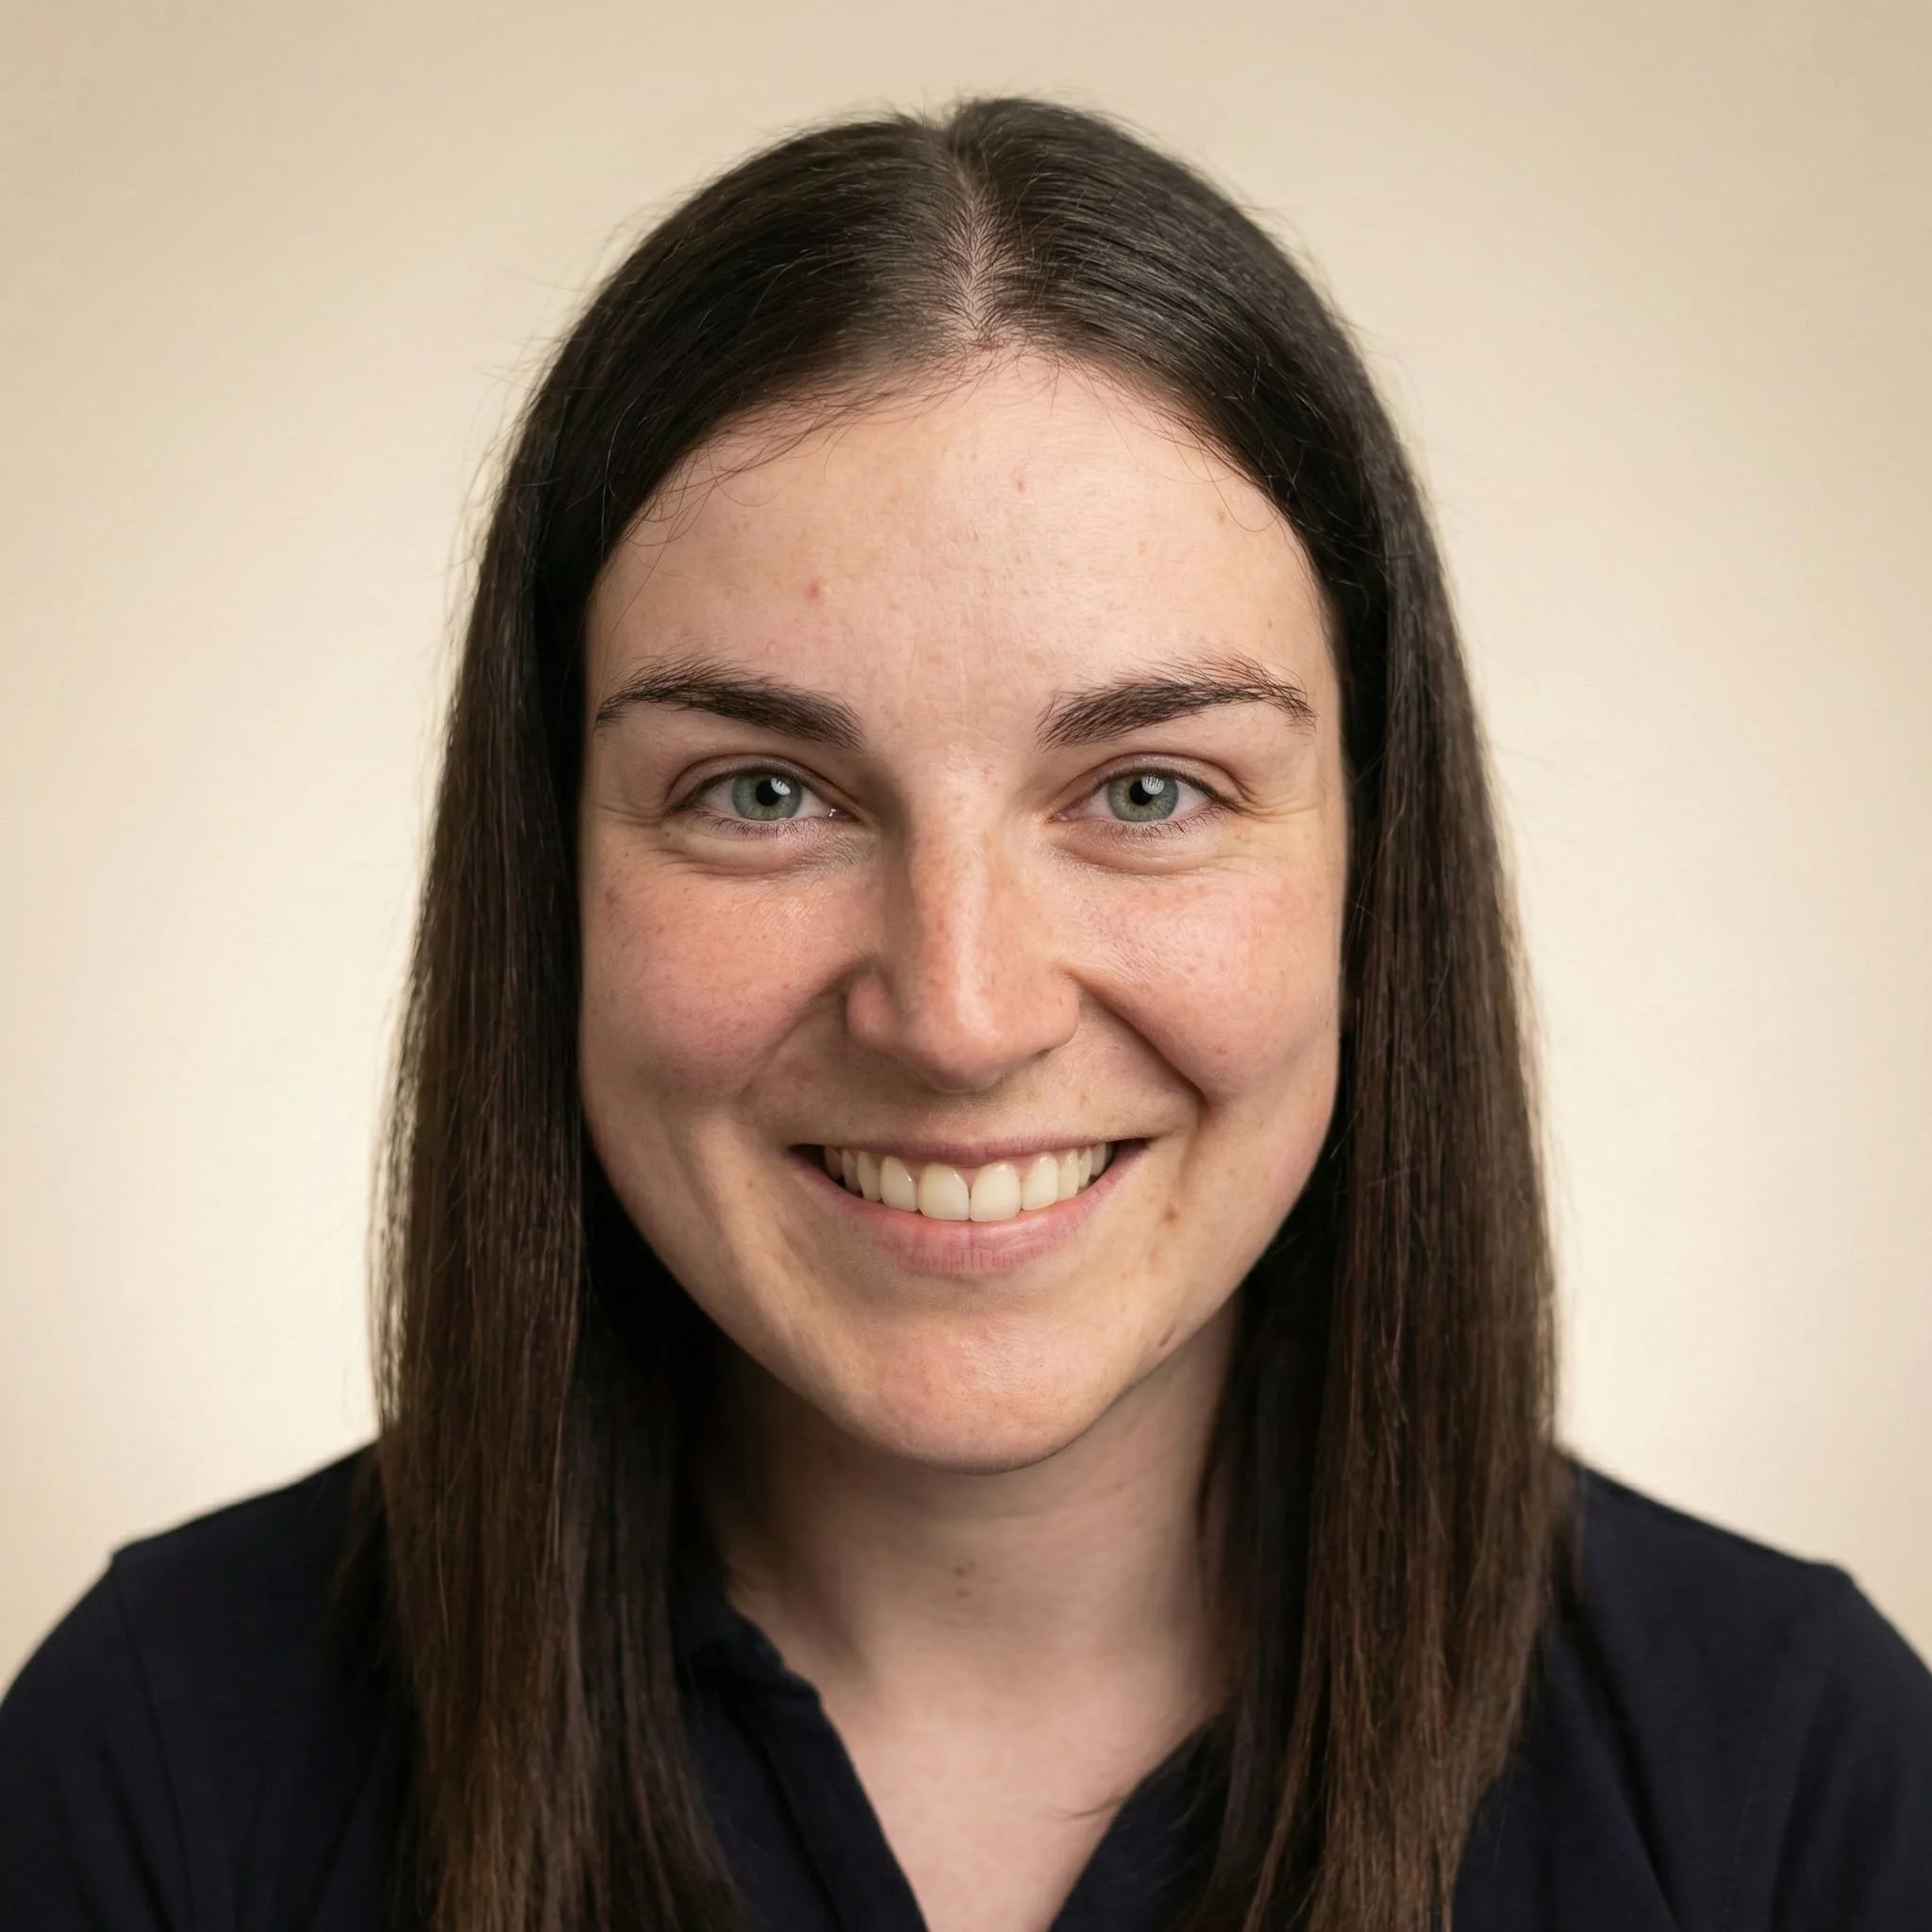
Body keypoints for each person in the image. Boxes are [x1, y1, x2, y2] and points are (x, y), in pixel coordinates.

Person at [2, 96, 1927, 1932]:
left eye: (1149, 789)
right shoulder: (161, 1765)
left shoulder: (1797, 1787)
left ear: (1372, 862)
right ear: (548, 872)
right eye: (763, 791)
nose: (959, 1010)